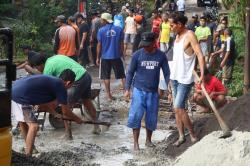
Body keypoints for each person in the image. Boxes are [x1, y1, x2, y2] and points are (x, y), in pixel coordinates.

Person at [12, 70, 83, 155]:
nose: (70, 88)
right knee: (34, 126)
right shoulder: (61, 86)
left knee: (23, 122)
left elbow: (43, 103)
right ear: (68, 83)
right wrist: (78, 119)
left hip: (13, 92)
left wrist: (54, 113)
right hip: (22, 96)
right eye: (71, 85)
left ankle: (30, 148)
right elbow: (66, 112)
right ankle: (28, 158)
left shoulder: (52, 82)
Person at [33, 55, 101, 139]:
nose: (37, 70)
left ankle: (68, 134)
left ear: (41, 65)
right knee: (87, 101)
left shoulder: (47, 68)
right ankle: (96, 126)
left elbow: (47, 88)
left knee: (66, 107)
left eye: (37, 67)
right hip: (85, 75)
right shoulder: (53, 58)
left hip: (77, 79)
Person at [125, 32, 170, 151]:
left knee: (151, 117)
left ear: (153, 43)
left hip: (153, 92)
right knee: (136, 116)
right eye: (143, 45)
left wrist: (165, 87)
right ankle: (135, 143)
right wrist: (127, 89)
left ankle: (148, 140)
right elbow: (130, 73)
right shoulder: (137, 55)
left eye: (147, 45)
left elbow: (166, 73)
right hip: (138, 90)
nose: (145, 47)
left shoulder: (161, 56)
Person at [169, 13, 205, 146]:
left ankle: (193, 135)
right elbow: (175, 60)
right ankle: (181, 136)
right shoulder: (177, 36)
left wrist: (201, 75)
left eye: (172, 25)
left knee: (179, 107)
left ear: (179, 24)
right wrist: (169, 80)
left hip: (185, 78)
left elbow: (200, 55)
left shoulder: (190, 35)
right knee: (176, 109)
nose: (170, 27)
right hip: (175, 77)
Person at [96, 13, 126, 101]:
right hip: (117, 55)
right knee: (122, 75)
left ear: (105, 20)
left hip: (105, 57)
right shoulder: (119, 29)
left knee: (106, 76)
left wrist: (97, 57)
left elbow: (99, 45)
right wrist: (122, 54)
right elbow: (121, 44)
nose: (101, 21)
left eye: (102, 19)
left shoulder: (101, 30)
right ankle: (126, 93)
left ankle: (109, 96)